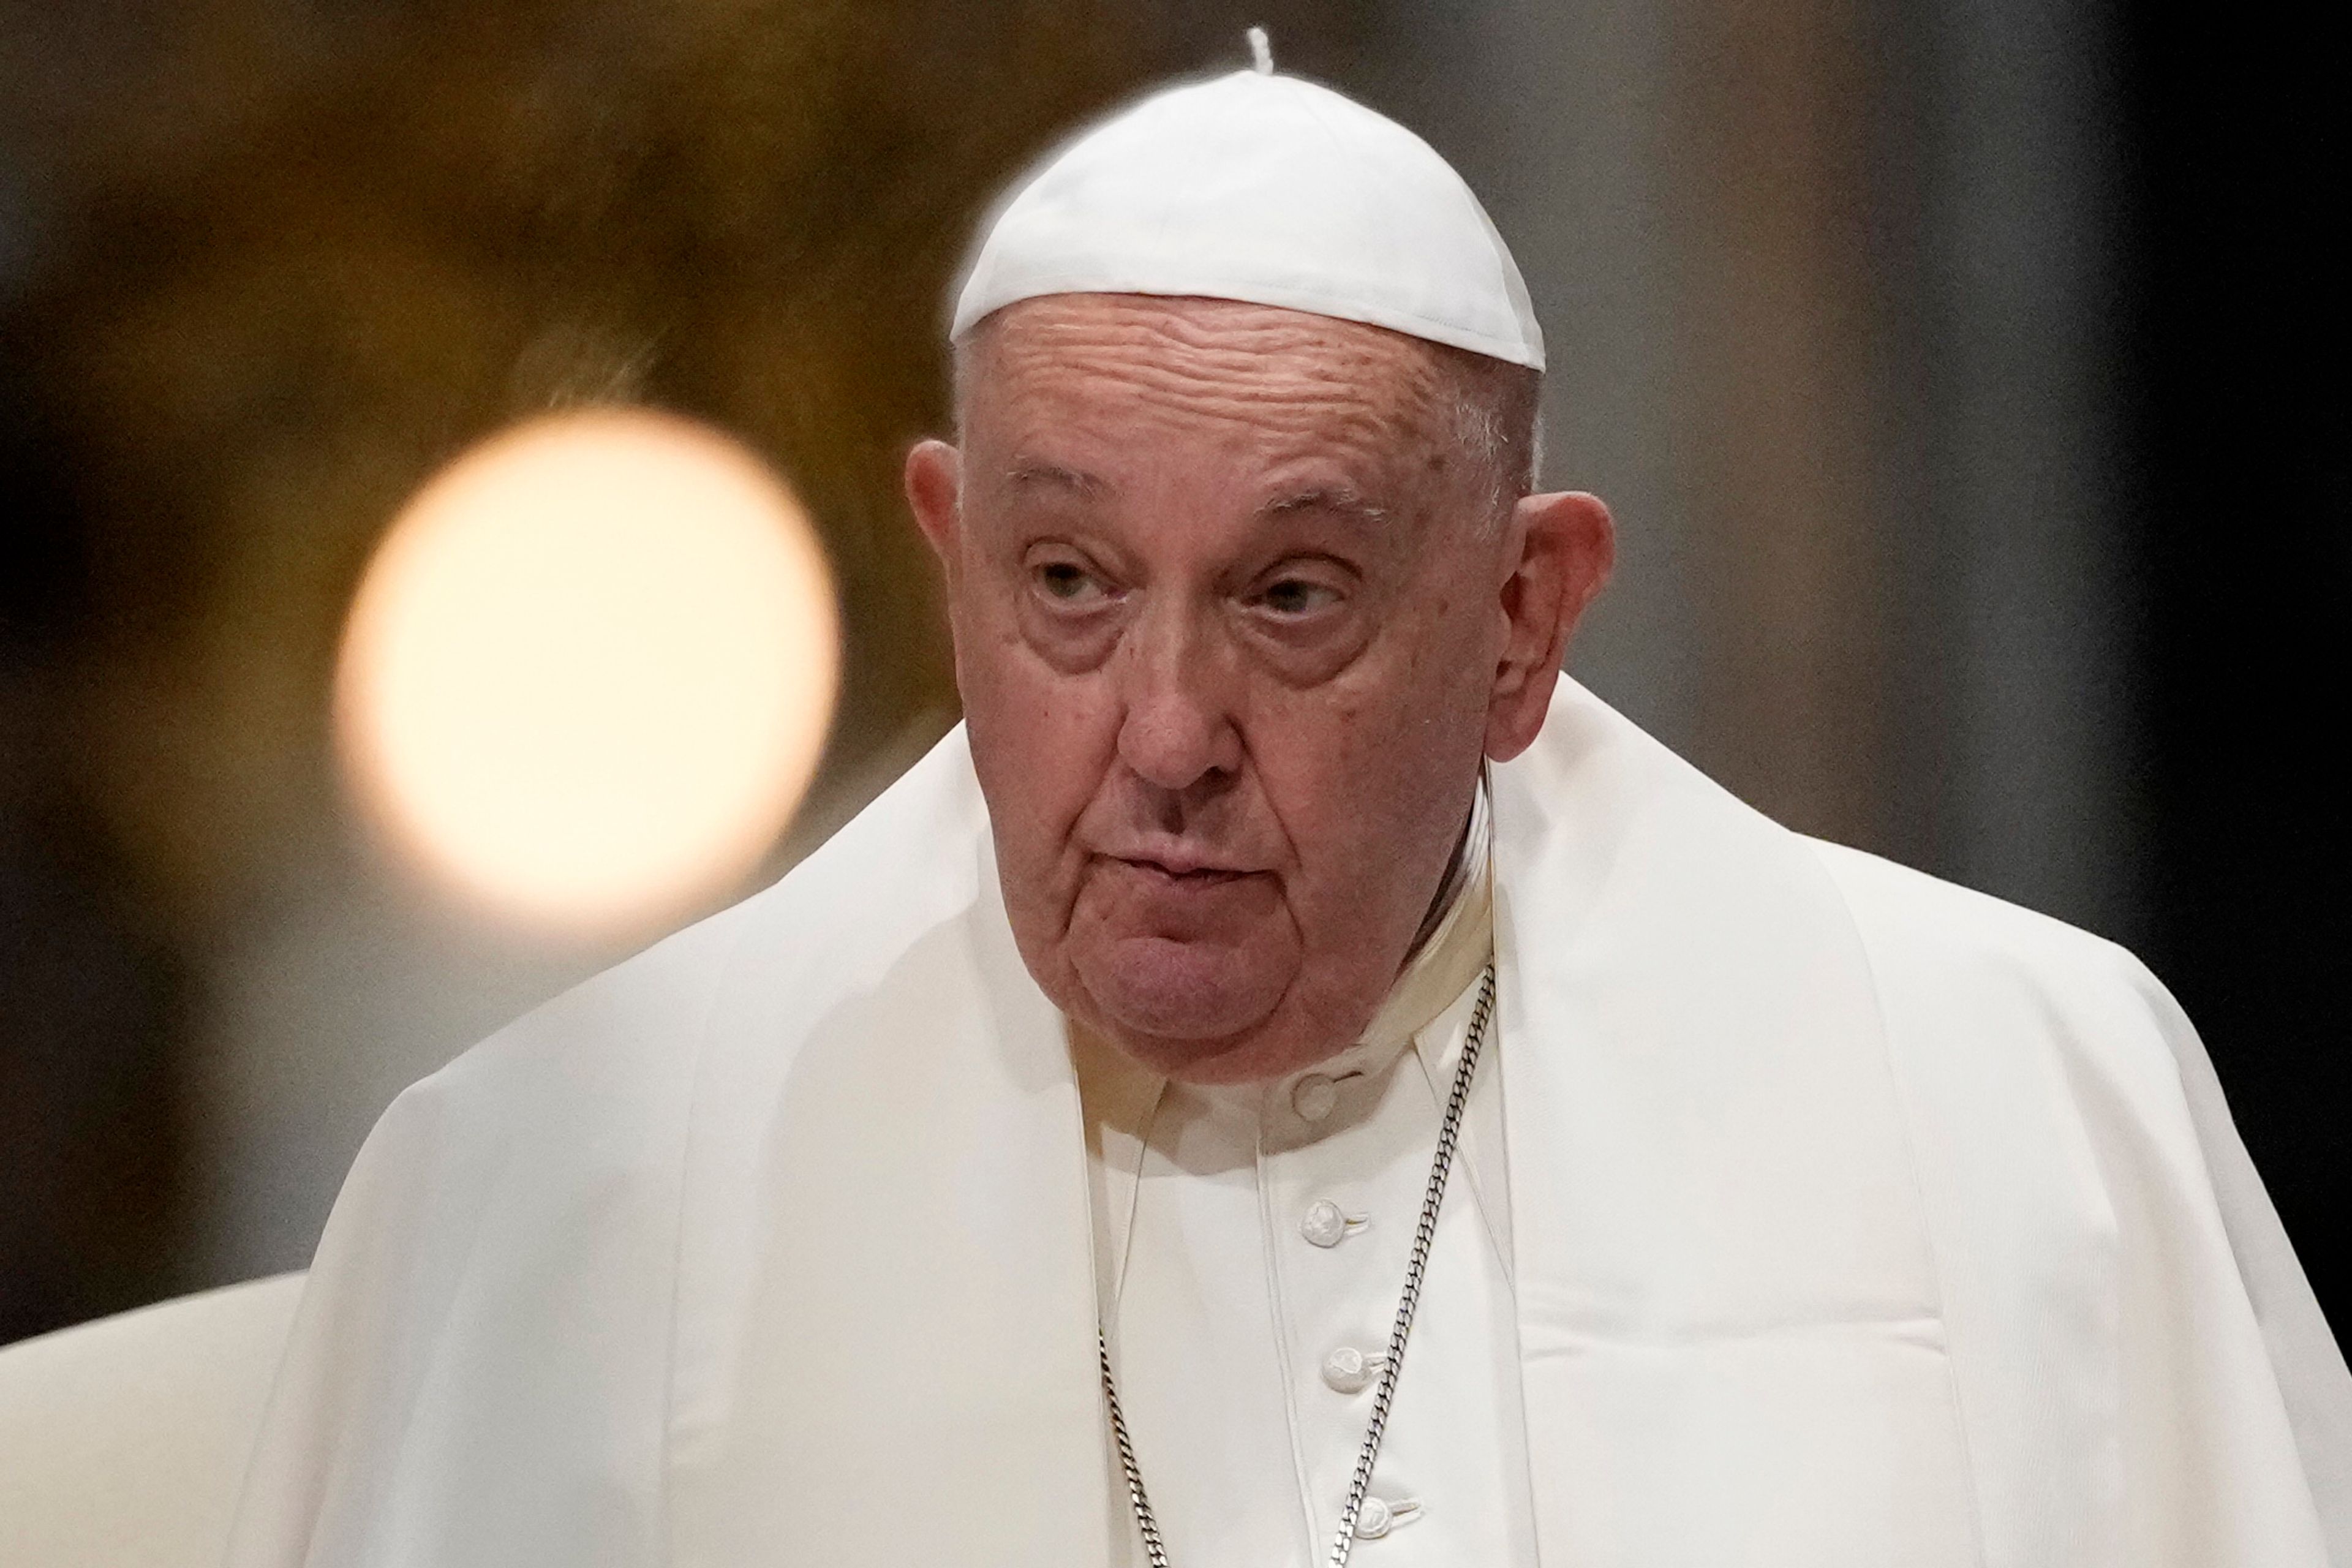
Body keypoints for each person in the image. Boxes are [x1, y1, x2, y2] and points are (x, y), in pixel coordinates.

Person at [225, 40, 2350, 1568]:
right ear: (951, 555)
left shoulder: (2014, 1103)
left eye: (1294, 595)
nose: (1164, 732)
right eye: (1068, 586)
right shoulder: (564, 1200)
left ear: (1522, 619)